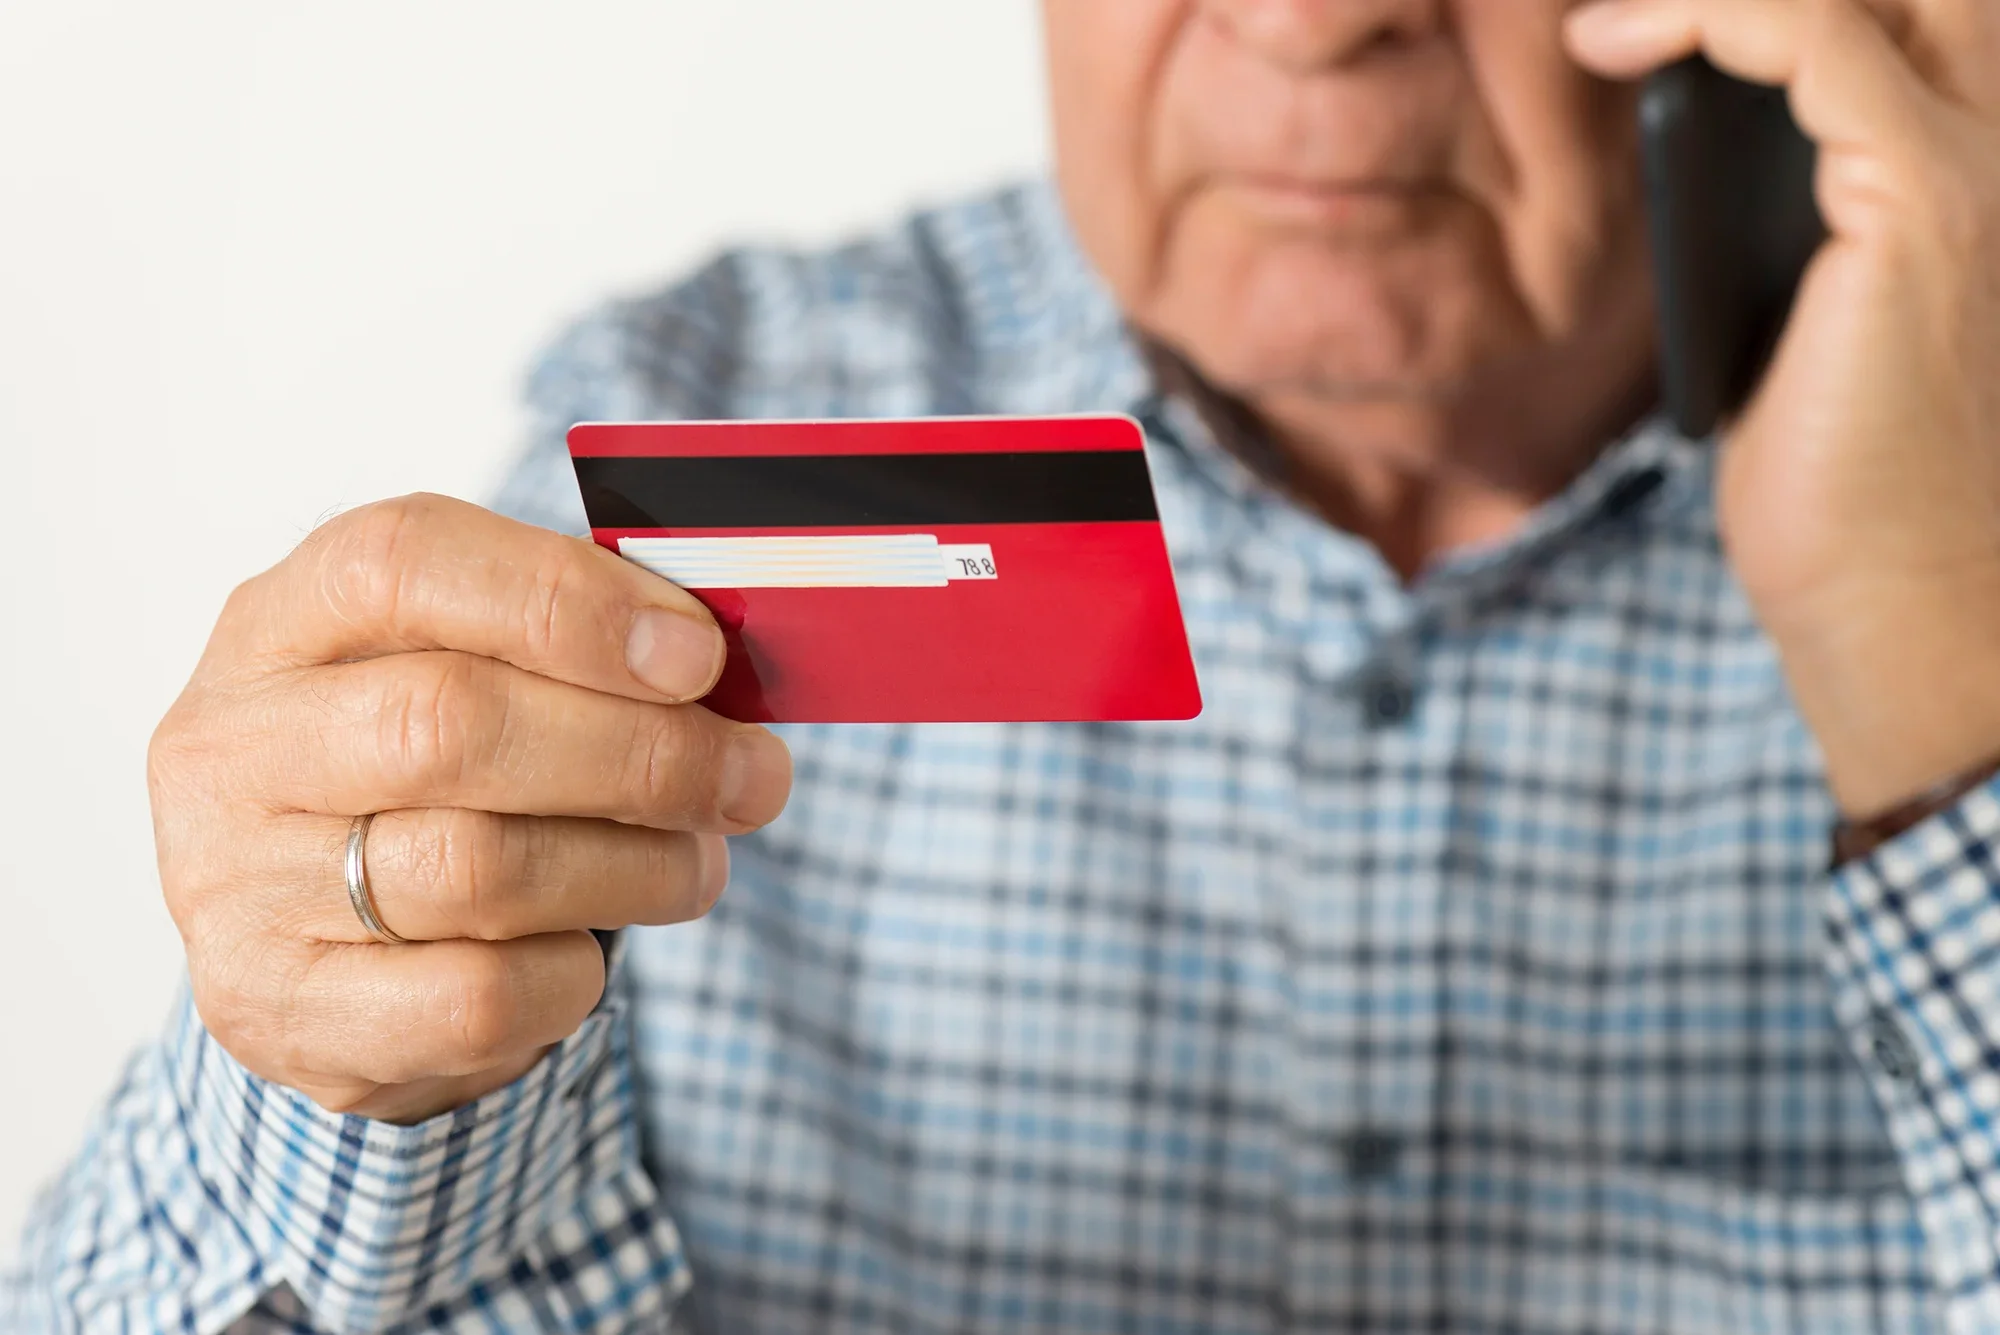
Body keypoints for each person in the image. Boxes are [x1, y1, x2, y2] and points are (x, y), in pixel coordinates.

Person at [8, 0, 2000, 1329]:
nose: (1310, 22)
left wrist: (1943, 697)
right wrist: (326, 1072)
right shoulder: (689, 430)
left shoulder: (1961, 468)